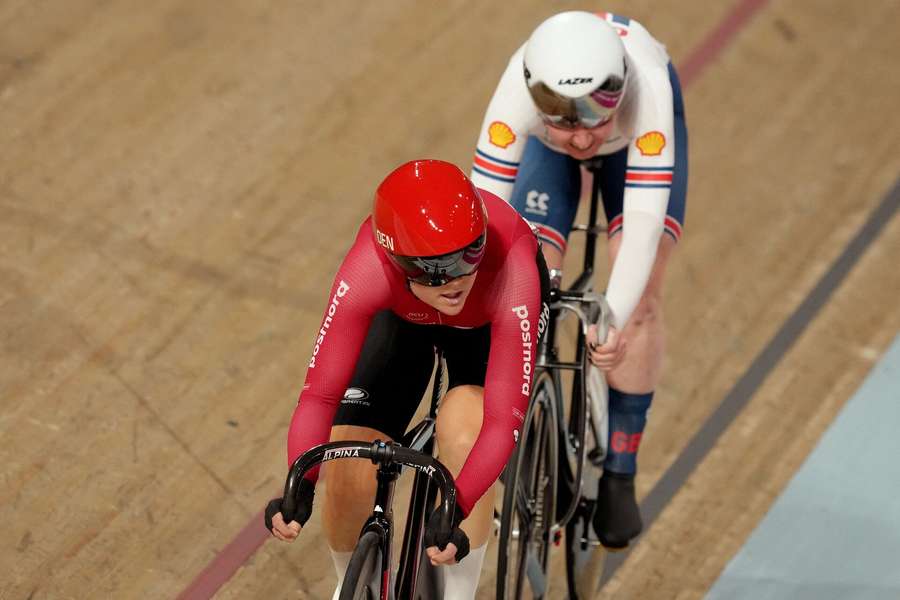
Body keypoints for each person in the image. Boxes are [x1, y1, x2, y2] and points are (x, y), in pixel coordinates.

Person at [264, 159, 549, 599]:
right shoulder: (368, 268)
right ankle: (355, 586)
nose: (454, 281)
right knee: (347, 451)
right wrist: (300, 481)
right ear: (393, 259)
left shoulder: (512, 266)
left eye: (468, 254)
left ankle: (455, 595)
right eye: (432, 269)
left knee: (464, 426)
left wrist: (461, 502)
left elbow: (501, 423)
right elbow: (320, 395)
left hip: (490, 324)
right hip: (404, 317)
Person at [470, 10, 688, 549]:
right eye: (561, 114)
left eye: (594, 109)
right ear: (533, 94)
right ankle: (531, 427)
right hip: (542, 154)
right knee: (525, 273)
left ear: (618, 87)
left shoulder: (649, 94)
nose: (581, 133)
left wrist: (613, 315)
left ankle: (620, 469)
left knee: (640, 304)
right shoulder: (515, 94)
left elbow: (639, 229)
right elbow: (486, 215)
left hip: (634, 151)